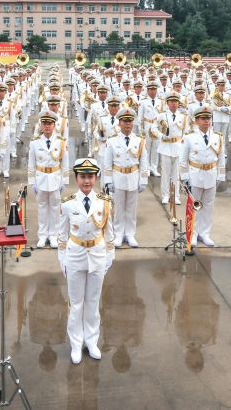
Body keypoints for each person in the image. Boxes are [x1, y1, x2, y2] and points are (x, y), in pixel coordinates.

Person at [58, 158, 115, 364]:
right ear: (76, 178)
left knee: (93, 302)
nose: (86, 181)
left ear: (96, 178)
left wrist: (109, 257)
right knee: (76, 304)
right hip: (75, 255)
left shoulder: (104, 202)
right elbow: (61, 235)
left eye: (90, 177)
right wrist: (62, 260)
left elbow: (109, 233)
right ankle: (76, 343)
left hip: (97, 255)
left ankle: (91, 341)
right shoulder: (67, 203)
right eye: (82, 177)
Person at [100, 108, 149, 248]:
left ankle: (130, 234)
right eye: (125, 121)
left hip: (133, 177)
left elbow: (144, 162)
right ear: (119, 123)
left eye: (130, 121)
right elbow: (107, 164)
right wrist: (108, 181)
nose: (128, 124)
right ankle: (118, 234)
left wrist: (143, 180)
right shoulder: (112, 141)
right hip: (118, 177)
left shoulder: (140, 141)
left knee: (132, 208)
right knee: (119, 208)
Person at [179, 106, 225, 247]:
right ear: (197, 120)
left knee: (208, 206)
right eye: (203, 118)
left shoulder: (218, 137)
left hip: (211, 174)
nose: (207, 121)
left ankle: (205, 233)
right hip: (195, 175)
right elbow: (183, 159)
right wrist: (184, 177)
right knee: (194, 206)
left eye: (209, 118)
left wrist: (221, 175)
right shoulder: (189, 137)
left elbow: (221, 158)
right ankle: (192, 233)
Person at [27, 110, 70, 248]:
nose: (47, 126)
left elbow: (65, 163)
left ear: (54, 125)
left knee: (55, 208)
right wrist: (32, 182)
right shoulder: (35, 143)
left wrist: (64, 181)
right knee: (42, 208)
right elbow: (31, 163)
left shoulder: (61, 142)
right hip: (40, 179)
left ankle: (53, 235)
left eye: (49, 123)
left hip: (55, 178)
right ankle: (42, 235)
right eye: (44, 123)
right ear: (40, 125)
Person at [150, 92, 186, 204]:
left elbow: (186, 131)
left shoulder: (183, 117)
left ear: (178, 103)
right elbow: (153, 128)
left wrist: (184, 143)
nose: (174, 104)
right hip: (165, 147)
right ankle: (165, 195)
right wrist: (161, 136)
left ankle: (175, 196)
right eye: (171, 102)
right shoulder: (162, 116)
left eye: (176, 102)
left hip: (178, 147)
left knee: (176, 174)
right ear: (167, 103)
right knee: (165, 173)